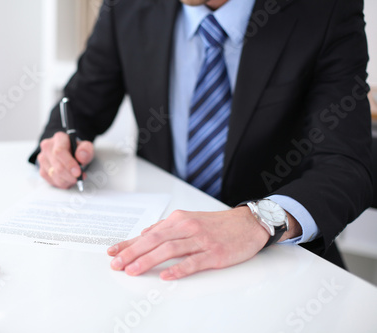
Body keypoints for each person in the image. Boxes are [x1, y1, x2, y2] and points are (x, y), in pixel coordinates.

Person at [29, 0, 373, 280]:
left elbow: (347, 164)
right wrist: (59, 145)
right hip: (158, 255)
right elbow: (81, 107)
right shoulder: (127, 6)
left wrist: (259, 221)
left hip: (281, 264)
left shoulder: (325, 10)